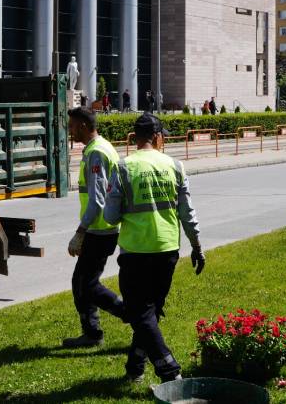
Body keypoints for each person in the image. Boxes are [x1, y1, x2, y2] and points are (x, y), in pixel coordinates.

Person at [104, 113, 205, 383]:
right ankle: (134, 369)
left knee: (141, 314)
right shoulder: (175, 166)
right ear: (158, 137)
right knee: (149, 312)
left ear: (134, 138)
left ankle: (170, 372)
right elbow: (188, 213)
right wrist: (197, 246)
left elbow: (111, 217)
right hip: (167, 250)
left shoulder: (123, 167)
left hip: (136, 252)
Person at [62, 107, 126, 348]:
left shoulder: (97, 153)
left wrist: (80, 232)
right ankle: (91, 332)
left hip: (100, 231)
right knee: (81, 283)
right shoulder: (99, 148)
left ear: (84, 126)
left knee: (87, 285)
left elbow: (98, 199)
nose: (70, 130)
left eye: (72, 126)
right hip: (99, 230)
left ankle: (128, 313)